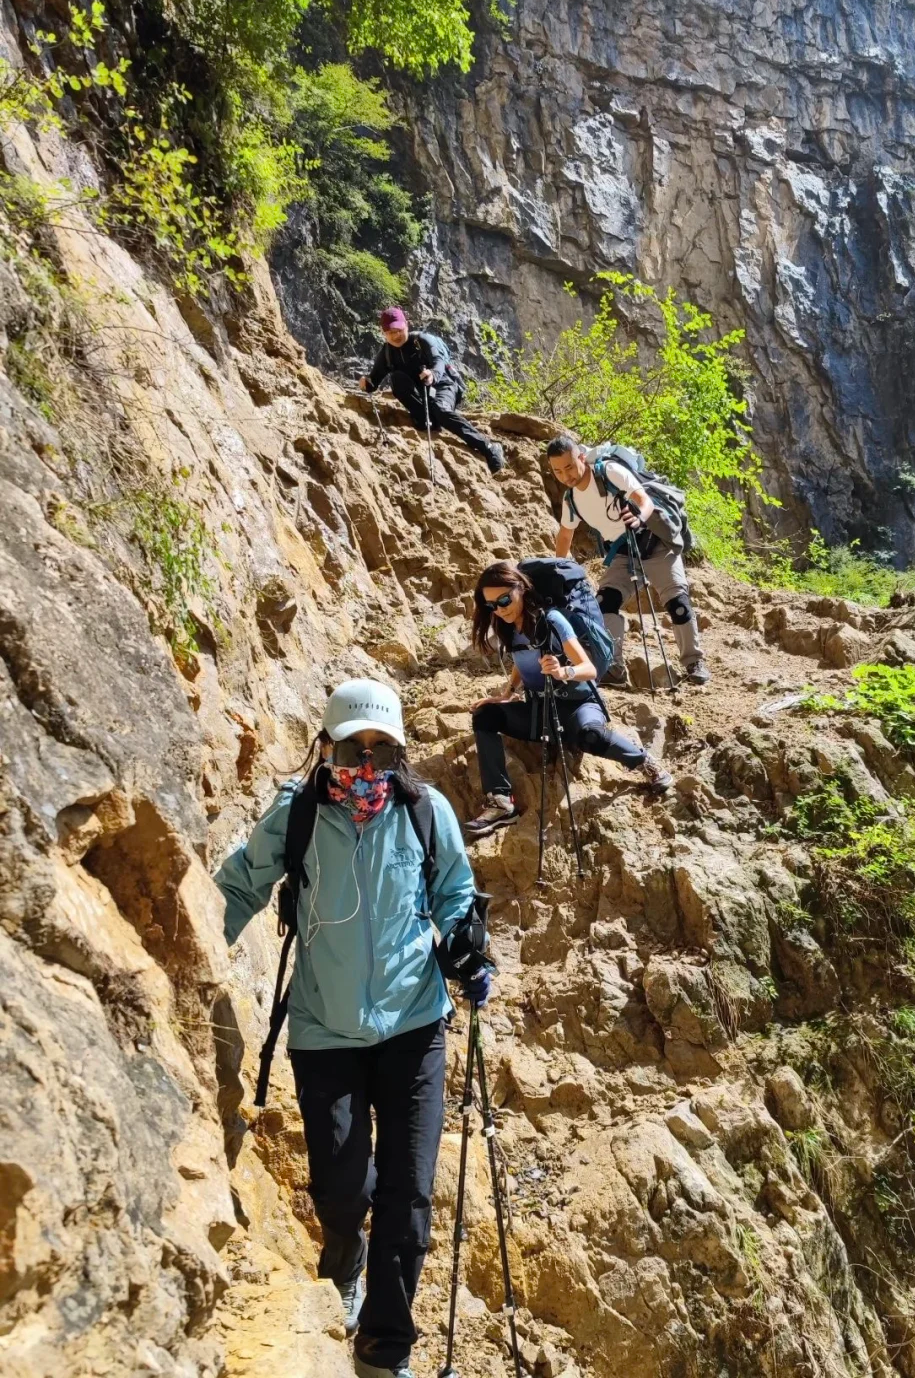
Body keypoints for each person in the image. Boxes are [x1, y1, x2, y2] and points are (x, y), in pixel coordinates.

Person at [215, 679, 491, 1378]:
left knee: (409, 1196)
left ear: (400, 752)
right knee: (343, 1187)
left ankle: (382, 1351)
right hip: (324, 1029)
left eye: (382, 750)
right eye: (352, 748)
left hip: (414, 1025)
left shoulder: (424, 810)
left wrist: (467, 945)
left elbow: (454, 891)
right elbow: (244, 882)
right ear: (327, 746)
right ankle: (345, 1258)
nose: (366, 764)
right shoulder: (299, 813)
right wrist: (193, 952)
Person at [466, 561, 672, 835]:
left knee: (590, 735)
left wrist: (564, 671)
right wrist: (508, 693)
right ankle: (500, 802)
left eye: (504, 600)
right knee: (485, 716)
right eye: (491, 605)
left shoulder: (552, 620)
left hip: (578, 704)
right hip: (540, 711)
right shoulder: (507, 626)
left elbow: (588, 669)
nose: (499, 609)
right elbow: (522, 659)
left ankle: (643, 761)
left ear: (521, 589)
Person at [547, 435, 711, 686]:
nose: (565, 475)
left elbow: (644, 501)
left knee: (677, 602)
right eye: (558, 471)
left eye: (569, 467)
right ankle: (613, 668)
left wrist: (638, 518)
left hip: (654, 541)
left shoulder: (609, 472)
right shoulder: (571, 499)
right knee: (604, 603)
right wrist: (558, 570)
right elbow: (565, 534)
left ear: (580, 457)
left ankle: (693, 662)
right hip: (623, 551)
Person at [358, 307, 505, 474]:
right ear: (383, 332)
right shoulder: (386, 353)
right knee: (396, 378)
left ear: (407, 325)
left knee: (440, 409)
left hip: (443, 385)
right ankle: (426, 419)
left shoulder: (422, 341)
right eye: (391, 332)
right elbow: (373, 381)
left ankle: (489, 447)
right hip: (422, 394)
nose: (396, 335)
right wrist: (366, 383)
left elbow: (438, 361)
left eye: (399, 330)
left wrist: (433, 374)